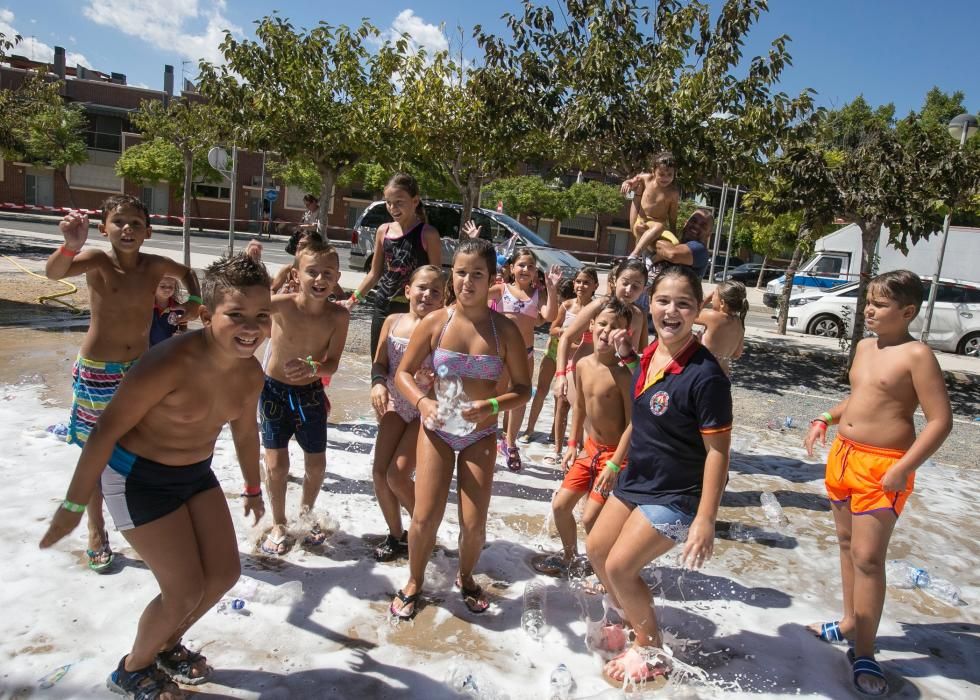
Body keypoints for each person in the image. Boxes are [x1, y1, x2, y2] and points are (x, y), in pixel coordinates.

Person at [39, 253, 270, 698]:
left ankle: (167, 645)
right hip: (136, 477)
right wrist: (74, 504)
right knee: (182, 590)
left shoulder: (251, 374)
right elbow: (105, 430)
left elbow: (245, 430)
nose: (251, 327)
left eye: (261, 316)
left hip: (195, 474)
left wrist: (253, 486)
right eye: (236, 315)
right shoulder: (168, 362)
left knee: (223, 574)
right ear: (206, 315)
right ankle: (132, 668)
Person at [803, 270, 952, 697]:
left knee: (869, 558)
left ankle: (865, 651)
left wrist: (905, 467)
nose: (869, 309)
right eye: (868, 300)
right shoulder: (866, 346)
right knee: (848, 547)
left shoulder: (917, 355)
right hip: (844, 455)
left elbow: (940, 421)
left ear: (907, 311)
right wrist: (826, 417)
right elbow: (865, 395)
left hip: (883, 466)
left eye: (880, 304)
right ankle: (850, 621)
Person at [586, 265, 732, 686]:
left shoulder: (707, 377)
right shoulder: (652, 353)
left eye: (683, 304)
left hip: (677, 492)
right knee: (596, 547)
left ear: (698, 309)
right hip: (638, 477)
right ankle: (631, 619)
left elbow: (718, 453)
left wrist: (706, 519)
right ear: (650, 303)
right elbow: (650, 403)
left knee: (619, 567)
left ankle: (648, 648)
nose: (671, 311)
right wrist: (631, 357)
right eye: (663, 301)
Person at [44, 194, 202, 572]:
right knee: (97, 454)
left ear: (148, 231)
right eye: (119, 222)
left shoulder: (154, 266)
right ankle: (97, 529)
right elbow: (53, 274)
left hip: (138, 369)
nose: (127, 228)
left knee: (138, 449)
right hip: (98, 371)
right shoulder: (98, 261)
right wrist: (70, 246)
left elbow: (187, 273)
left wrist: (192, 304)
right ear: (104, 229)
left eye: (135, 222)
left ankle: (147, 524)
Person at [389, 239, 531, 619]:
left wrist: (491, 406)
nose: (467, 281)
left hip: (481, 434)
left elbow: (523, 389)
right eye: (461, 272)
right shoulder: (437, 323)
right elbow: (402, 372)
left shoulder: (505, 331)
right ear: (452, 274)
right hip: (436, 429)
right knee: (424, 515)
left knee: (473, 522)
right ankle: (414, 581)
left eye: (477, 274)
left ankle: (466, 576)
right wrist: (422, 401)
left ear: (492, 279)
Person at [260, 237, 349, 555]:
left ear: (337, 278)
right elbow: (249, 305)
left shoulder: (338, 317)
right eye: (313, 272)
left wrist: (314, 369)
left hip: (310, 393)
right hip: (273, 390)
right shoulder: (281, 305)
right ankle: (279, 523)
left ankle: (307, 514)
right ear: (297, 275)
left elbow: (333, 362)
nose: (321, 279)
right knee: (277, 465)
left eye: (329, 273)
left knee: (317, 465)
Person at [536, 298, 634, 577]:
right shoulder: (581, 364)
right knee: (560, 506)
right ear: (591, 325)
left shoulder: (624, 374)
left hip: (615, 457)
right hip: (589, 450)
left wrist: (616, 464)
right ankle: (571, 557)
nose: (606, 330)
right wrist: (570, 443)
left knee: (591, 518)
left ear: (626, 334)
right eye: (602, 323)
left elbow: (633, 424)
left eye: (615, 327)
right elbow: (578, 407)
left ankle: (604, 573)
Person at [369, 265, 445, 561]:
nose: (427, 294)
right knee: (378, 473)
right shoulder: (392, 321)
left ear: (443, 298)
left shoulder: (442, 329)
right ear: (407, 291)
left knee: (397, 475)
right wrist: (377, 384)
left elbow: (452, 372)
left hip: (424, 407)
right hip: (394, 405)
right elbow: (379, 363)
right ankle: (396, 534)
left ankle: (425, 529)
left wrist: (432, 379)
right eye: (422, 288)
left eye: (435, 291)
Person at [343, 173, 442, 358]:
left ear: (415, 201)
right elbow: (374, 274)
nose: (392, 207)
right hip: (383, 307)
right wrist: (351, 302)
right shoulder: (383, 231)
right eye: (388, 202)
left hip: (414, 310)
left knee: (410, 365)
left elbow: (436, 279)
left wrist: (440, 312)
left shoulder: (428, 234)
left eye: (399, 202)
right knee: (378, 363)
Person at [489, 248, 561, 471]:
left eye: (530, 266)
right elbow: (477, 295)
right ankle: (488, 437)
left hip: (526, 354)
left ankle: (510, 443)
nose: (525, 269)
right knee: (496, 397)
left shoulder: (537, 295)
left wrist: (551, 287)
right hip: (500, 354)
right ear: (512, 268)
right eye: (521, 265)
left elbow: (549, 316)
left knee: (518, 399)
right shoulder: (502, 289)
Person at [553, 258, 650, 407]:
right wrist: (560, 376)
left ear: (643, 289)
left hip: (618, 380)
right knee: (587, 425)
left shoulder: (638, 315)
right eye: (625, 283)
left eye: (636, 286)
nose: (629, 290)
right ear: (615, 281)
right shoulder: (599, 306)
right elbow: (566, 337)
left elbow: (642, 352)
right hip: (588, 374)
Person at [518, 275, 582, 449]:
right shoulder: (564, 307)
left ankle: (554, 432)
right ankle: (530, 429)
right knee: (541, 390)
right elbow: (552, 329)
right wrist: (565, 332)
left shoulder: (584, 309)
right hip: (553, 351)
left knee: (560, 396)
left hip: (571, 357)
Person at [621, 152, 680, 259]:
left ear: (674, 174)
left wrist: (674, 232)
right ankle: (635, 254)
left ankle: (653, 258)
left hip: (657, 228)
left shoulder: (673, 193)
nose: (665, 178)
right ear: (653, 171)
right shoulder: (646, 179)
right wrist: (626, 183)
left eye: (670, 175)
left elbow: (672, 216)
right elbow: (631, 181)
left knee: (675, 243)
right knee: (659, 226)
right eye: (661, 174)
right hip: (642, 221)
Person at [695, 281, 747, 376]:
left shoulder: (713, 317)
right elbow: (737, 354)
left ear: (722, 303)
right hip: (724, 374)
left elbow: (691, 315)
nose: (712, 297)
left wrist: (706, 299)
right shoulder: (739, 323)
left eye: (714, 295)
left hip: (704, 370)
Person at [652, 208, 714, 279]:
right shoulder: (674, 242)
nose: (696, 226)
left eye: (703, 226)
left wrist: (651, 238)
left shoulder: (700, 250)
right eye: (693, 221)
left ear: (708, 234)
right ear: (685, 223)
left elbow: (672, 254)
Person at [149, 276, 188, 347]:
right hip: (147, 351)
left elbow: (183, 327)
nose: (167, 289)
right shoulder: (146, 306)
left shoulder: (180, 309)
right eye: (162, 286)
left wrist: (181, 333)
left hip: (168, 350)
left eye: (171, 287)